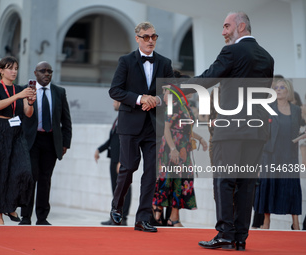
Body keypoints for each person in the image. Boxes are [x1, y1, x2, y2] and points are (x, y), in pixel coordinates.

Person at [182, 12, 274, 250]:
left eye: (226, 26)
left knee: (224, 181)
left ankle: (224, 234)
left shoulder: (232, 52)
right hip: (257, 131)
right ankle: (240, 238)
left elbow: (207, 79)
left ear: (241, 26)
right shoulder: (267, 57)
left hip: (230, 129)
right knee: (246, 183)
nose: (223, 32)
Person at [108, 21, 174, 232]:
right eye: (146, 37)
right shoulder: (126, 61)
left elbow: (172, 92)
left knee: (151, 173)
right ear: (137, 38)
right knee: (128, 168)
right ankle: (117, 207)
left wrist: (157, 100)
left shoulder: (165, 62)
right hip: (130, 124)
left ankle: (143, 218)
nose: (150, 41)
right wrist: (140, 99)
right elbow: (115, 91)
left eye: (153, 37)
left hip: (154, 126)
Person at [0, 56, 36, 225]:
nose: (14, 71)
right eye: (10, 68)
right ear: (1, 70)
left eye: (16, 68)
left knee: (24, 171)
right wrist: (19, 95)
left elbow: (28, 113)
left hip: (15, 131)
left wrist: (30, 102)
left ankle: (11, 204)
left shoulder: (20, 89)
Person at [153, 71, 208, 227]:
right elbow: (166, 130)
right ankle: (163, 212)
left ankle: (173, 217)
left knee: (182, 181)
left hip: (184, 147)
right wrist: (173, 149)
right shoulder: (175, 105)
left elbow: (186, 130)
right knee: (169, 181)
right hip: (172, 148)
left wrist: (201, 139)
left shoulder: (185, 106)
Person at [19, 61, 72, 225]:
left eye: (49, 71)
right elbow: (20, 118)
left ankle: (42, 218)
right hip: (31, 141)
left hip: (51, 141)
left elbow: (66, 120)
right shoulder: (26, 90)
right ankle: (26, 217)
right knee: (30, 177)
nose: (47, 74)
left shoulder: (59, 92)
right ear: (35, 73)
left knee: (45, 179)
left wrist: (65, 143)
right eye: (43, 71)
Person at [254, 78, 302, 230]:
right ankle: (266, 222)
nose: (279, 90)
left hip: (290, 154)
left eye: (282, 87)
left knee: (292, 187)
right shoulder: (267, 107)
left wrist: (301, 137)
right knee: (269, 186)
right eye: (276, 88)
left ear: (288, 91)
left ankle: (296, 223)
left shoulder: (296, 110)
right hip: (270, 154)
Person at [94, 100, 132, 226]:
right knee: (116, 190)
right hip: (114, 159)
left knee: (124, 188)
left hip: (120, 161)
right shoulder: (118, 118)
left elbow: (126, 142)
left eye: (115, 102)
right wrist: (99, 149)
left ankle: (123, 217)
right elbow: (112, 139)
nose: (113, 104)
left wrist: (122, 160)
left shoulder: (126, 119)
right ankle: (115, 216)